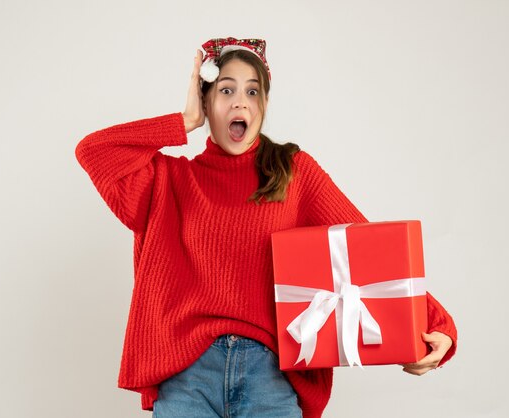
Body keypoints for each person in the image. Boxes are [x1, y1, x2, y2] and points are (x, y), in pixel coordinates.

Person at [75, 37, 457, 418]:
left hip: (270, 377)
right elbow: (93, 151)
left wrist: (436, 325)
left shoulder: (293, 173)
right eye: (226, 90)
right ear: (206, 101)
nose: (240, 101)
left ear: (264, 104)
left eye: (252, 91)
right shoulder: (167, 182)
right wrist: (185, 121)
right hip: (187, 377)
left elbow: (367, 250)